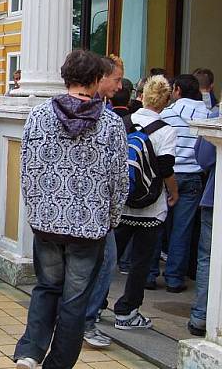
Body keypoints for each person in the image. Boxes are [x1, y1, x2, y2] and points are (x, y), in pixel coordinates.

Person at [14, 50, 127, 369]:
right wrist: (110, 219)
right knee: (74, 301)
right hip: (89, 227)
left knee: (47, 288)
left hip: (47, 223)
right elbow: (119, 180)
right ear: (96, 81)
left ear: (66, 77)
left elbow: (27, 169)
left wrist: (36, 210)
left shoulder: (38, 116)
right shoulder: (110, 124)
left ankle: (31, 353)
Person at [108, 76, 178, 333]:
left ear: (142, 95)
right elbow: (166, 168)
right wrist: (174, 192)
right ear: (167, 100)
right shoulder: (166, 130)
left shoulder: (124, 122)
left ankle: (96, 304)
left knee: (109, 258)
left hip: (122, 204)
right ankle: (127, 311)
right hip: (150, 206)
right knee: (141, 262)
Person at [81, 55, 126, 346]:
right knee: (105, 261)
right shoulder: (106, 118)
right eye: (117, 79)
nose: (120, 86)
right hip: (94, 208)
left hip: (83, 207)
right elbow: (119, 175)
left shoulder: (105, 112)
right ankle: (85, 320)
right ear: (101, 78)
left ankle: (81, 318)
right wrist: (113, 214)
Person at [150, 74, 209, 292]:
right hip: (194, 176)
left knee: (157, 224)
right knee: (182, 230)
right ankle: (174, 278)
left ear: (176, 90)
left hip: (168, 174)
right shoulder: (209, 115)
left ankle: (150, 273)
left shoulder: (168, 114)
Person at [189, 122, 217, 337]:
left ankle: (201, 316)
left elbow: (203, 158)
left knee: (208, 258)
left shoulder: (218, 115)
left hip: (215, 197)